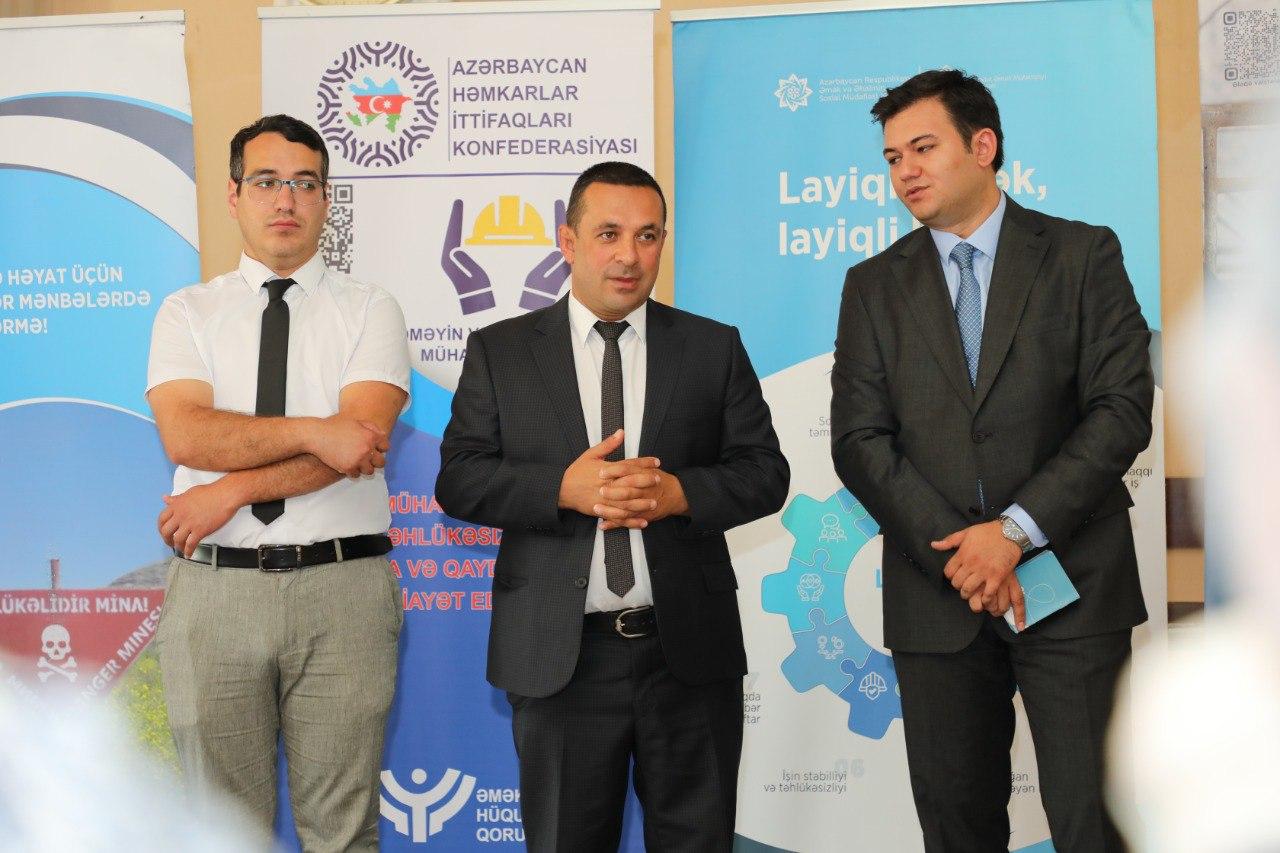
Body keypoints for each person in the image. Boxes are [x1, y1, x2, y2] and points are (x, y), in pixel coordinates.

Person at [830, 70, 1153, 853]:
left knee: (1094, 821)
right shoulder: (872, 286)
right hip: (937, 594)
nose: (905, 170)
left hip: (1072, 585)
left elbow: (1121, 409)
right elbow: (859, 440)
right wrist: (965, 552)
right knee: (957, 827)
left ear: (983, 146)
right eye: (892, 157)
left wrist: (1010, 533)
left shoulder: (1081, 254)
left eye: (923, 147)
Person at [436, 161, 789, 852]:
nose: (629, 254)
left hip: (688, 654)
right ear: (568, 242)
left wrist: (680, 494)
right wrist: (562, 490)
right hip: (561, 658)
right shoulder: (502, 352)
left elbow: (765, 473)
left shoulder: (712, 347)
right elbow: (460, 478)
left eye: (647, 235)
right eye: (609, 234)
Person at [146, 114, 410, 851]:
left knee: (343, 831)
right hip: (215, 589)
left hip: (343, 590)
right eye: (266, 181)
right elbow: (188, 435)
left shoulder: (371, 308)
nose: (285, 199)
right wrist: (314, 430)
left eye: (304, 183)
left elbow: (360, 443)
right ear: (234, 195)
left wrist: (229, 491)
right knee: (223, 833)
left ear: (326, 200)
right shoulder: (187, 312)